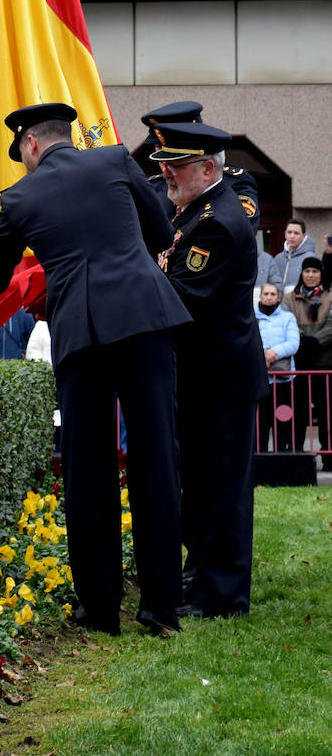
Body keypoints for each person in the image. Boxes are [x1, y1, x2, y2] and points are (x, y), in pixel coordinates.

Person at [0, 102, 192, 638]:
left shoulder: (18, 197)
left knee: (88, 470)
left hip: (83, 333)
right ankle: (161, 607)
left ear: (31, 146)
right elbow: (162, 235)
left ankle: (100, 607)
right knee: (156, 456)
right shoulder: (116, 160)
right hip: (145, 318)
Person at [149, 120, 269, 619]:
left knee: (222, 491)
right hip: (203, 379)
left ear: (207, 167)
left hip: (221, 382)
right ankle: (200, 577)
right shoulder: (196, 211)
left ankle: (222, 596)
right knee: (200, 487)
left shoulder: (216, 221)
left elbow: (179, 296)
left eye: (176, 166)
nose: (167, 175)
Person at [140, 100, 260, 232]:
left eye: (173, 152)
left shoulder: (233, 183)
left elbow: (239, 233)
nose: (164, 156)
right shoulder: (154, 187)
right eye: (159, 147)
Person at [283, 257, 332, 456]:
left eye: (315, 271)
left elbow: (331, 326)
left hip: (324, 363)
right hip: (299, 364)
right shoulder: (289, 298)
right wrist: (302, 341)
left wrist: (315, 342)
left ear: (321, 274)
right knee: (298, 412)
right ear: (302, 274)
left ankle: (328, 455)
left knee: (326, 412)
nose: (310, 275)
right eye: (307, 271)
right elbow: (287, 323)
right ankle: (297, 453)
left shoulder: (330, 296)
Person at [254, 282, 299, 453]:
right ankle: (261, 457)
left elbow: (294, 343)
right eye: (266, 293)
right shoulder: (251, 316)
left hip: (284, 379)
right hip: (260, 378)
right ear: (260, 296)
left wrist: (273, 353)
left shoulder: (288, 318)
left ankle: (282, 455)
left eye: (273, 294)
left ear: (278, 297)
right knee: (261, 421)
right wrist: (263, 354)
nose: (269, 297)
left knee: (283, 420)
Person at [269, 219, 316, 295]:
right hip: (280, 304)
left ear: (304, 236)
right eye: (289, 232)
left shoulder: (310, 258)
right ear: (285, 234)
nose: (292, 236)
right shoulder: (278, 258)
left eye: (296, 233)